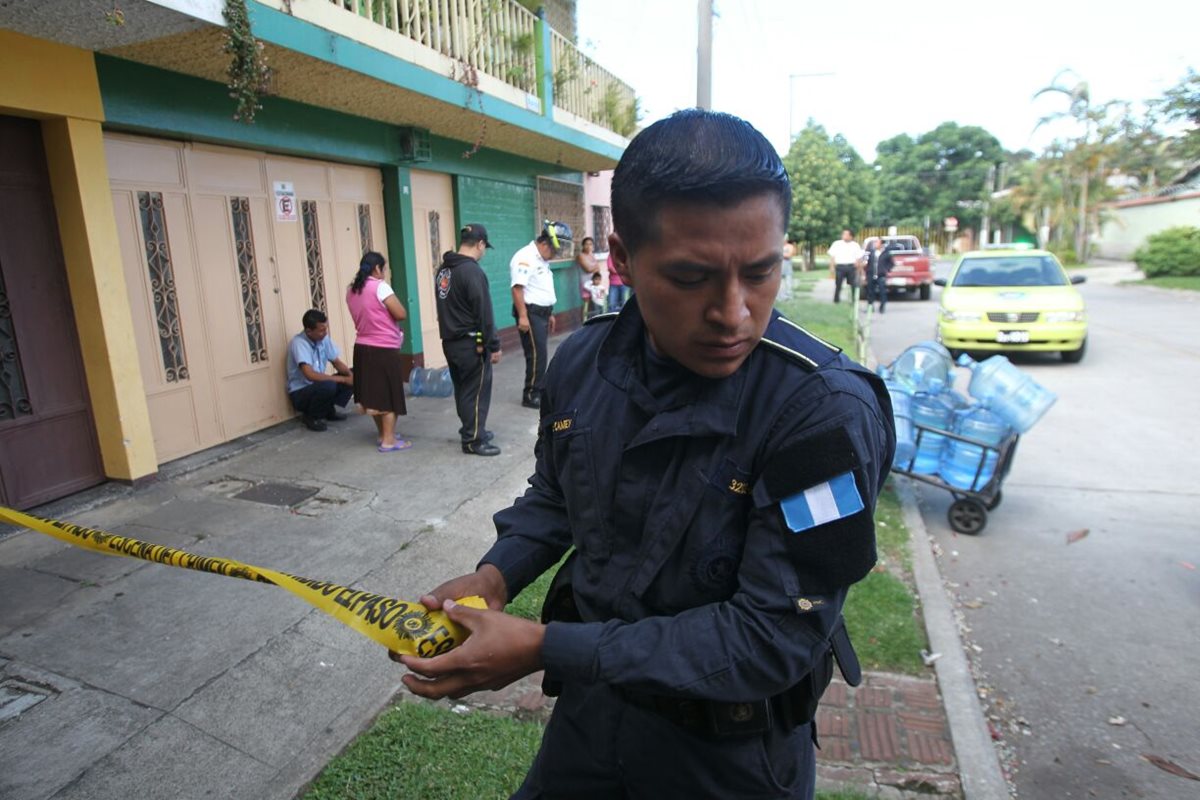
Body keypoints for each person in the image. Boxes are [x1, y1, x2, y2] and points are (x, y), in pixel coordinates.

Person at [395, 109, 896, 800]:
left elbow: (772, 637)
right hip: (590, 724)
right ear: (623, 260)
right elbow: (555, 494)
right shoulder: (585, 363)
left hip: (729, 762)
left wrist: (546, 647)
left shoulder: (820, 414)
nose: (734, 312)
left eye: (760, 272)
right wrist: (497, 575)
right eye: (692, 278)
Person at [436, 223, 503, 457]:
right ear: (480, 244)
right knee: (476, 391)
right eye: (485, 247)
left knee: (463, 390)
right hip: (470, 342)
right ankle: (473, 440)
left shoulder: (444, 269)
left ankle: (473, 429)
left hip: (450, 340)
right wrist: (493, 345)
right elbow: (484, 312)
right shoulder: (472, 271)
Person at [346, 251, 411, 453]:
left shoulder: (351, 289)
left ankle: (383, 434)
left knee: (372, 395)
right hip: (384, 348)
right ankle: (389, 441)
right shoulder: (380, 287)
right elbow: (400, 313)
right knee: (390, 395)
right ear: (377, 269)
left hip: (362, 347)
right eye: (383, 267)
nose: (384, 271)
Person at [510, 221, 571, 409]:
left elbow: (541, 288)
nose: (554, 255)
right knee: (537, 355)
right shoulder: (525, 257)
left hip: (542, 314)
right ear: (545, 244)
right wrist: (523, 316)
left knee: (541, 354)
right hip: (530, 313)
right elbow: (518, 289)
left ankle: (537, 389)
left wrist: (550, 314)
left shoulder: (542, 260)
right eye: (554, 250)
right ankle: (530, 394)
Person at [285, 308, 354, 432]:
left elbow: (336, 362)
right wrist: (343, 379)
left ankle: (327, 410)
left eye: (325, 329)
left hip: (318, 386)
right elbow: (309, 375)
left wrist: (350, 376)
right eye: (321, 331)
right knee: (329, 385)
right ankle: (312, 416)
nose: (325, 333)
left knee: (354, 373)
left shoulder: (323, 339)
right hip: (301, 392)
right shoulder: (299, 343)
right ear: (309, 331)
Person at [828, 228, 864, 303]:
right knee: (838, 284)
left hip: (851, 267)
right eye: (843, 234)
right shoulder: (837, 244)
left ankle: (853, 300)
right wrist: (831, 267)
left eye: (846, 234)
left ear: (851, 236)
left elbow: (859, 257)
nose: (844, 236)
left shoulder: (855, 245)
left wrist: (859, 267)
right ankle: (836, 300)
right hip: (840, 267)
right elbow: (832, 256)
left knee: (853, 285)